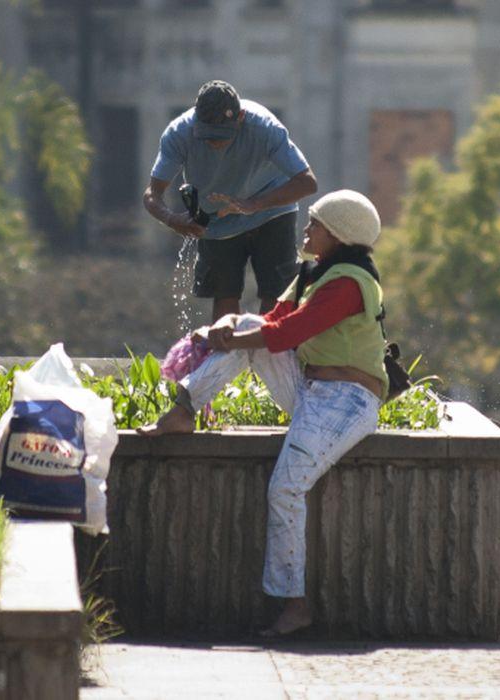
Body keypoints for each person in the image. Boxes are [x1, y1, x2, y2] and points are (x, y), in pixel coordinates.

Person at [140, 190, 388, 638]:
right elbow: (272, 318)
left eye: (315, 224)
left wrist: (231, 340)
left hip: (347, 399)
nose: (307, 230)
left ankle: (295, 605)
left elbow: (294, 331)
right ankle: (183, 408)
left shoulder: (350, 282)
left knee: (286, 488)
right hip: (312, 388)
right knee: (249, 324)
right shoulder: (314, 272)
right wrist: (225, 326)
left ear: (339, 234)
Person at [143, 80, 318, 321]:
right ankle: (226, 355)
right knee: (224, 294)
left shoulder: (264, 128)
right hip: (217, 219)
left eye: (223, 135)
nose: (215, 143)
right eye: (208, 136)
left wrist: (254, 204)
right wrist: (173, 220)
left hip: (271, 209)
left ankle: (267, 356)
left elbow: (307, 182)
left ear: (241, 117)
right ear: (196, 120)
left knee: (275, 294)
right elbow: (152, 195)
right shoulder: (179, 133)